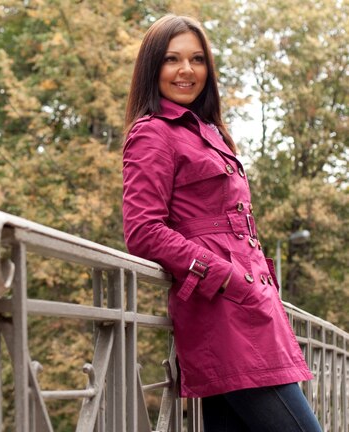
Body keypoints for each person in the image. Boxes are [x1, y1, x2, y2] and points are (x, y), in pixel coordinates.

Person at [121, 14, 322, 431]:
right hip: (224, 318)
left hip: (253, 313)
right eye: (172, 59)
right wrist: (224, 275)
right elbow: (142, 229)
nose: (186, 70)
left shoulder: (208, 132)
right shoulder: (153, 133)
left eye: (197, 59)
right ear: (152, 68)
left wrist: (253, 287)